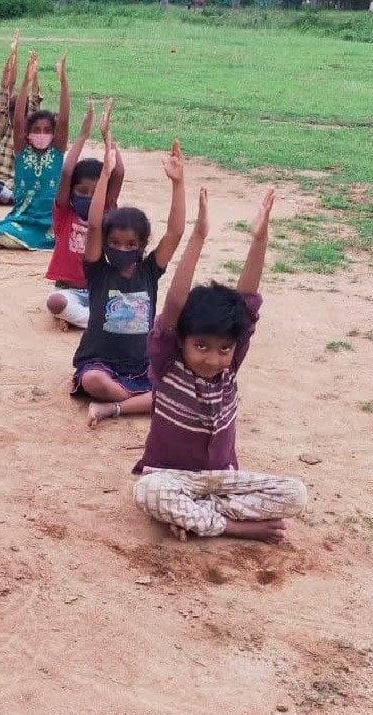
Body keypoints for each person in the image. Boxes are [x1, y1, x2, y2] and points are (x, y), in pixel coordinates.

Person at [132, 188, 309, 544]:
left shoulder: (230, 366)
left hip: (223, 483)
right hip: (170, 478)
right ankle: (233, 528)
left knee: (296, 494)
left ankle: (198, 519)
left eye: (223, 349)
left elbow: (246, 300)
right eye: (201, 346)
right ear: (181, 339)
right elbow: (175, 302)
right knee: (147, 494)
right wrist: (197, 237)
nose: (212, 359)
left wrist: (259, 239)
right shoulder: (168, 362)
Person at [73, 135, 187, 427]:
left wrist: (178, 183)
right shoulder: (99, 271)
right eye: (114, 242)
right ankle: (134, 400)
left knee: (179, 392)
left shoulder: (149, 271)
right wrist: (105, 177)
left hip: (141, 365)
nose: (121, 249)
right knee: (93, 380)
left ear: (142, 245)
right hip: (101, 364)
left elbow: (174, 233)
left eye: (129, 244)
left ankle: (112, 408)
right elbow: (96, 223)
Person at [45, 98, 124, 329]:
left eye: (95, 191)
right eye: (82, 191)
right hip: (67, 289)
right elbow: (68, 171)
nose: (88, 197)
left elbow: (118, 173)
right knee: (56, 301)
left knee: (128, 302)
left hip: (100, 289)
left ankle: (83, 320)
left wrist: (108, 136)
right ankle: (96, 322)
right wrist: (82, 136)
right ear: (71, 193)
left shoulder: (106, 212)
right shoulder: (64, 213)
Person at [0, 52, 69, 251]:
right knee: (5, 233)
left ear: (54, 135)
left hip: (52, 221)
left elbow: (65, 119)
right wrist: (25, 81)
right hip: (24, 219)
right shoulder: (22, 152)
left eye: (47, 131)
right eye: (36, 130)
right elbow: (18, 121)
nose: (42, 134)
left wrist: (63, 82)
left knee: (72, 234)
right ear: (27, 134)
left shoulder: (57, 152)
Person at [0, 31, 40, 206]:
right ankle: (11, 197)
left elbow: (34, 99)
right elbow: (6, 91)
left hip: (20, 183)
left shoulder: (32, 130)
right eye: (13, 111)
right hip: (1, 182)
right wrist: (14, 54)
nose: (17, 114)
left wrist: (33, 75)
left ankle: (11, 197)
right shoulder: (4, 128)